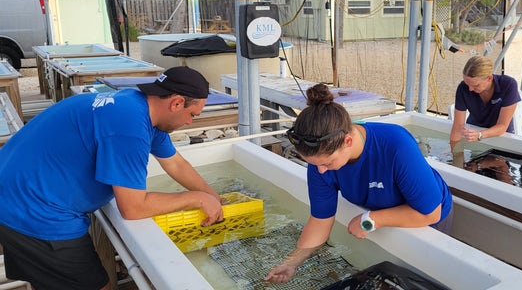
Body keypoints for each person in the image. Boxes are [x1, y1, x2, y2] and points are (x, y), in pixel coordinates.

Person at [0, 66, 223, 290]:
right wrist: (194, 198)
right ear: (176, 103)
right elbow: (133, 208)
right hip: (36, 211)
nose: (190, 123)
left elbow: (175, 163)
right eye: (192, 115)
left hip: (18, 190)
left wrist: (213, 197)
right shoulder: (129, 128)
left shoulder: (137, 105)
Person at [265, 83, 452, 284]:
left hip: (428, 215)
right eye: (314, 164)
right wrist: (292, 262)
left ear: (347, 141)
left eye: (327, 163)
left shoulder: (396, 145)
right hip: (381, 210)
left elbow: (431, 213)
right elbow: (320, 220)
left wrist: (371, 219)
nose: (321, 171)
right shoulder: (320, 163)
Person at [449, 55, 521, 150]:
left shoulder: (508, 85)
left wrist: (480, 135)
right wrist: (453, 149)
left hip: (501, 135)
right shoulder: (463, 88)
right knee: (471, 163)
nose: (470, 89)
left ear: (489, 78)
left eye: (476, 85)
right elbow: (458, 126)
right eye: (467, 84)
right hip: (474, 131)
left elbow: (502, 126)